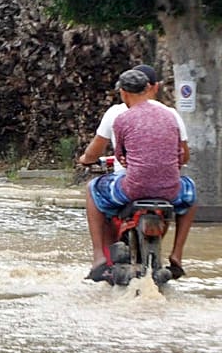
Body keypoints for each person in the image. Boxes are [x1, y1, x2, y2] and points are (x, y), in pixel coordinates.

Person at [78, 64, 193, 278]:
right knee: (191, 191)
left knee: (93, 189)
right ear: (151, 88)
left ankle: (99, 258)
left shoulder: (120, 117)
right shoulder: (170, 115)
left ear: (123, 93)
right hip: (170, 190)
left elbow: (121, 157)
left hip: (133, 188)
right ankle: (177, 254)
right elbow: (183, 156)